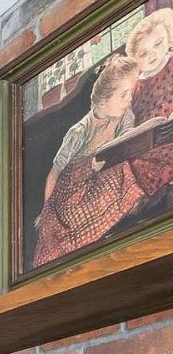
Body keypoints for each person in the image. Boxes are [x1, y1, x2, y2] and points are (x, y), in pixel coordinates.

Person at [33, 54, 145, 268]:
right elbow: (56, 172)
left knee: (124, 172)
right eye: (123, 95)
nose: (128, 100)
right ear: (103, 100)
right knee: (68, 219)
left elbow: (125, 143)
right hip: (72, 185)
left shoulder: (124, 114)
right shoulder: (79, 131)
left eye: (129, 94)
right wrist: (47, 210)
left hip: (104, 170)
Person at [124, 7, 173, 201]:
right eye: (143, 53)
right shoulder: (135, 85)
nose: (152, 55)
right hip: (148, 138)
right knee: (137, 163)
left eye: (158, 44)